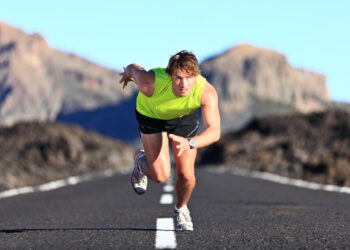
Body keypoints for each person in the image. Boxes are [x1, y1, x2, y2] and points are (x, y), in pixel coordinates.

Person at [119, 50, 220, 232]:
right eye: (178, 78)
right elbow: (135, 70)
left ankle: (181, 209)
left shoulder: (206, 91)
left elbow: (215, 131)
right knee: (160, 176)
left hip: (183, 119)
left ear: (196, 76)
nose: (184, 85)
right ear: (170, 76)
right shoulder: (150, 82)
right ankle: (141, 162)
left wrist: (191, 143)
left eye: (189, 78)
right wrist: (127, 73)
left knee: (187, 175)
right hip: (151, 115)